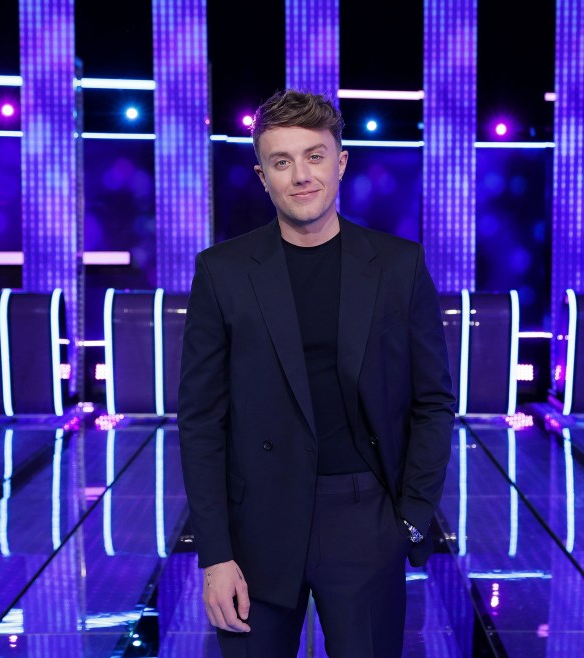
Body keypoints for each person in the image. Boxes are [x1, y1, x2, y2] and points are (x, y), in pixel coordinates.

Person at [178, 89, 455, 658]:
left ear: (341, 161)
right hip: (256, 528)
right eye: (282, 162)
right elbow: (201, 420)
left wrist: (409, 519)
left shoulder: (399, 266)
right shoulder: (223, 272)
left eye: (314, 156)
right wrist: (215, 554)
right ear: (262, 176)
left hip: (364, 519)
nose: (301, 175)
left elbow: (434, 402)